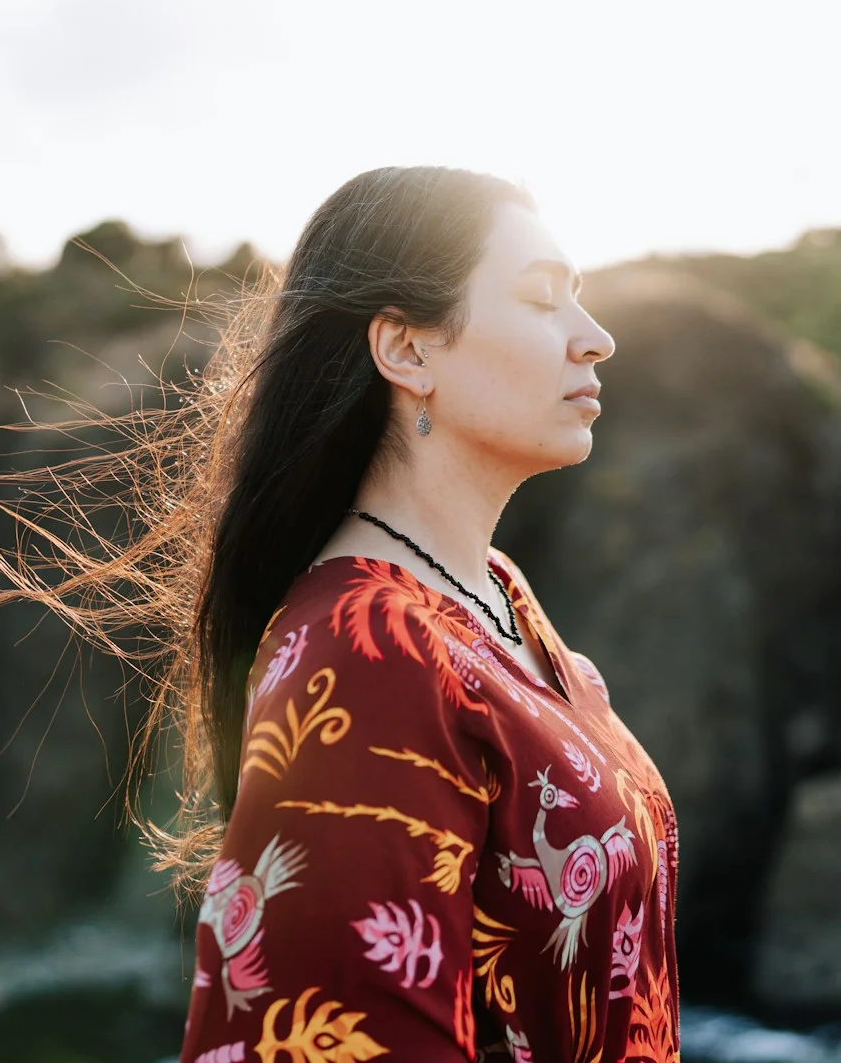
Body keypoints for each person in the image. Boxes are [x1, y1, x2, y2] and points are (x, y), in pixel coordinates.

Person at [175, 167, 680, 1062]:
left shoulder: (495, 594)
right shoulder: (365, 655)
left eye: (585, 303)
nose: (595, 340)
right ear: (407, 351)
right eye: (541, 300)